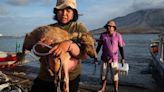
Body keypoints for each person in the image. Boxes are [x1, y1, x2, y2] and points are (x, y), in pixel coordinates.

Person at [28, 0, 89, 92]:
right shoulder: (48, 29)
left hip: (70, 77)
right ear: (56, 12)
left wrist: (69, 45)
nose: (64, 13)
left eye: (68, 10)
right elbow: (37, 52)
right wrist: (43, 46)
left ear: (74, 13)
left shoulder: (79, 28)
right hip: (46, 76)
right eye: (61, 10)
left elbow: (84, 55)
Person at [94, 20, 125, 92]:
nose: (109, 28)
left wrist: (123, 58)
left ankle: (116, 90)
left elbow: (121, 47)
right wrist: (95, 55)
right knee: (103, 74)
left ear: (114, 28)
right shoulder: (103, 35)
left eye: (111, 27)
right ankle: (103, 88)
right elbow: (99, 46)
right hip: (104, 58)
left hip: (114, 59)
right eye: (108, 26)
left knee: (115, 75)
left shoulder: (118, 36)